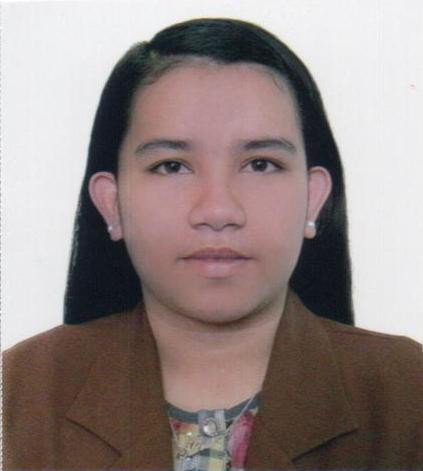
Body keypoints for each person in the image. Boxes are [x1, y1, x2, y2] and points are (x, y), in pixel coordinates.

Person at [4, 18, 422, 470]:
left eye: (260, 164)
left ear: (314, 197)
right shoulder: (20, 391)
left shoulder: (407, 392)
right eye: (172, 166)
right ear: (112, 203)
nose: (219, 210)